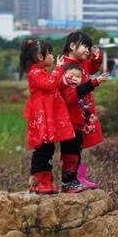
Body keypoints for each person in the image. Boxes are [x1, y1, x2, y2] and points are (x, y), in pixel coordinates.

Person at [20, 39, 75, 194]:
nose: (52, 56)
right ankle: (37, 181)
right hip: (41, 114)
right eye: (49, 53)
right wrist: (58, 69)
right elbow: (50, 84)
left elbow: (53, 85)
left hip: (47, 113)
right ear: (39, 56)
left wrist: (63, 78)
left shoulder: (40, 71)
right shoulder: (34, 72)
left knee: (49, 147)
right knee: (42, 148)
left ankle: (46, 180)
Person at [59, 31, 104, 190]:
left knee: (81, 144)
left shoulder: (83, 62)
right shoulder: (65, 66)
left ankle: (79, 177)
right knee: (73, 147)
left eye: (89, 47)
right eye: (85, 46)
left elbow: (93, 66)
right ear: (72, 46)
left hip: (84, 111)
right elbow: (68, 95)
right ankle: (70, 180)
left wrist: (97, 56)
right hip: (72, 114)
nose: (87, 50)